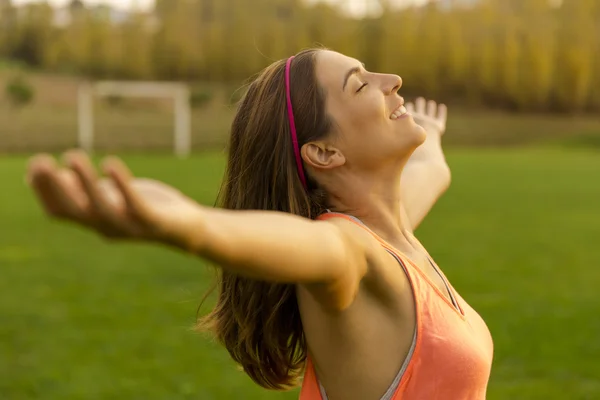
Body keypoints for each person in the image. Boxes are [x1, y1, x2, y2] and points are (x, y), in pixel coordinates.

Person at [26, 48, 494, 400]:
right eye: (360, 84)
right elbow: (301, 242)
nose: (391, 79)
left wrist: (429, 136)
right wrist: (183, 222)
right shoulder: (352, 253)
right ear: (324, 152)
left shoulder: (394, 232)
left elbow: (433, 171)